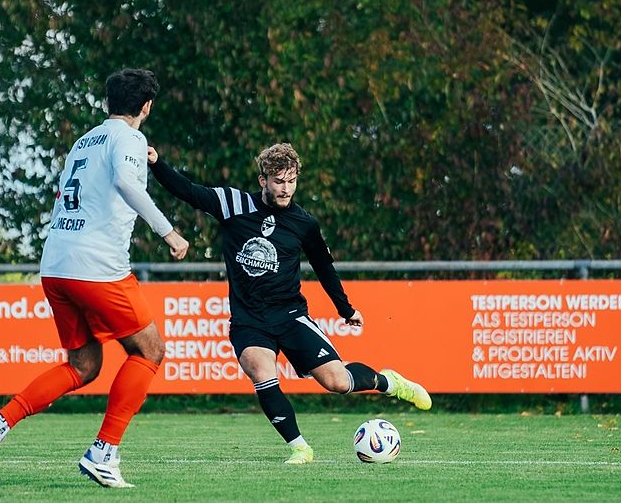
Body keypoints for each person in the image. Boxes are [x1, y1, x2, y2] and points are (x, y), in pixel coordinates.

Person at [0, 68, 189, 489]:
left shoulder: (85, 141)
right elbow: (125, 182)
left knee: (84, 366)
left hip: (56, 265)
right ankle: (104, 452)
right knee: (150, 350)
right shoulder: (130, 137)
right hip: (96, 266)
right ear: (146, 106)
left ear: (109, 102)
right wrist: (168, 231)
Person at [147, 142, 430, 464]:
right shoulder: (233, 204)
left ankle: (389, 382)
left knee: (337, 381)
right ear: (263, 180)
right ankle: (300, 447)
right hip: (249, 320)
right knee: (260, 370)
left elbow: (324, 267)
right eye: (279, 181)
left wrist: (345, 309)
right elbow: (186, 190)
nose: (286, 189)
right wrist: (157, 163)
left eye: (291, 181)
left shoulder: (303, 223)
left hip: (291, 315)